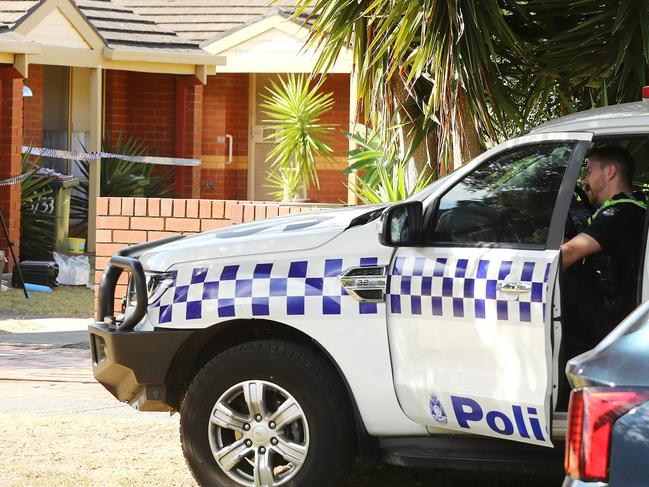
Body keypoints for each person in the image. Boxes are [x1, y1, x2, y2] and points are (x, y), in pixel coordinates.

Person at [561, 146, 647, 352]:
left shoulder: (620, 211)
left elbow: (570, 253)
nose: (584, 181)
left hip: (614, 320)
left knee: (552, 281)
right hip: (626, 310)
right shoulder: (635, 204)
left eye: (589, 172)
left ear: (610, 172)